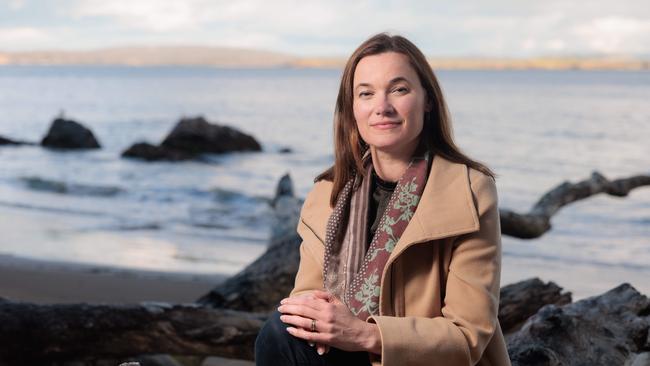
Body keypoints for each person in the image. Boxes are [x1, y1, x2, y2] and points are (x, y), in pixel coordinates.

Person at [255, 33, 511, 366]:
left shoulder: (470, 190)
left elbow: (468, 336)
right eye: (366, 93)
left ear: (427, 100)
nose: (382, 107)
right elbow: (306, 304)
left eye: (399, 89)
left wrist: (364, 334)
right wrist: (322, 324)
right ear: (352, 108)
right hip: (339, 357)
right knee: (282, 330)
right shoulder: (326, 195)